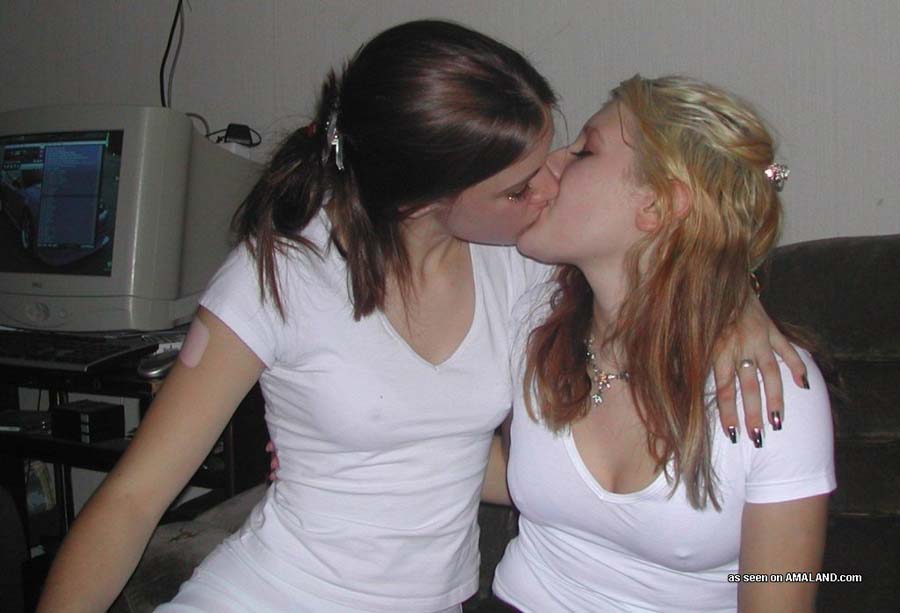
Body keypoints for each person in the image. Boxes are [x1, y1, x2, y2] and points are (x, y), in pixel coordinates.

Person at [37, 21, 801, 613]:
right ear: (429, 199)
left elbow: (666, 260)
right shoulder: (282, 274)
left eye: (551, 158)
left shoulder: (522, 266)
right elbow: (133, 498)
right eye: (519, 188)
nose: (550, 189)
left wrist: (738, 304)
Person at [493, 75, 835, 612]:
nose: (551, 162)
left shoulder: (773, 387)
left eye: (584, 151)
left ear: (657, 205)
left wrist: (732, 299)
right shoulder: (528, 304)